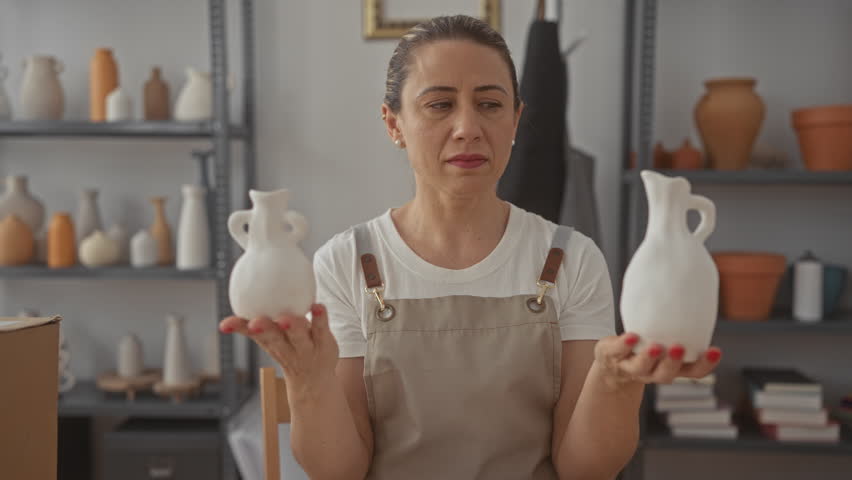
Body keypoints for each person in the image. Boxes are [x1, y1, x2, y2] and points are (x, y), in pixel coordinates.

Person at [220, 14, 722, 480]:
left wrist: (616, 381)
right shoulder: (347, 262)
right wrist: (308, 380)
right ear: (394, 124)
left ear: (515, 120)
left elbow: (584, 470)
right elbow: (340, 471)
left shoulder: (572, 258)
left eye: (490, 104)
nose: (467, 128)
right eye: (440, 105)